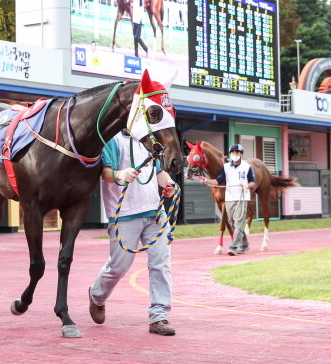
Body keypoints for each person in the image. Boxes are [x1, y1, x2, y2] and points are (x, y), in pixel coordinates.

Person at [89, 129, 177, 336]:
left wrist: (169, 184)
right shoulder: (113, 140)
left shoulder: (149, 139)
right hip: (125, 214)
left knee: (161, 264)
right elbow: (105, 173)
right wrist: (121, 174)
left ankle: (159, 316)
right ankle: (96, 296)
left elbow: (158, 171)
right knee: (118, 266)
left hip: (155, 212)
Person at [196, 144, 256, 256]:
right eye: (233, 153)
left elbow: (253, 182)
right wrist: (206, 180)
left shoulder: (247, 167)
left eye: (237, 153)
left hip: (242, 197)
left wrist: (246, 186)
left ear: (241, 154)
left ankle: (233, 247)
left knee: (238, 222)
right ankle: (245, 244)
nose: (235, 155)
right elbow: (218, 181)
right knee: (233, 223)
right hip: (229, 198)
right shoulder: (226, 167)